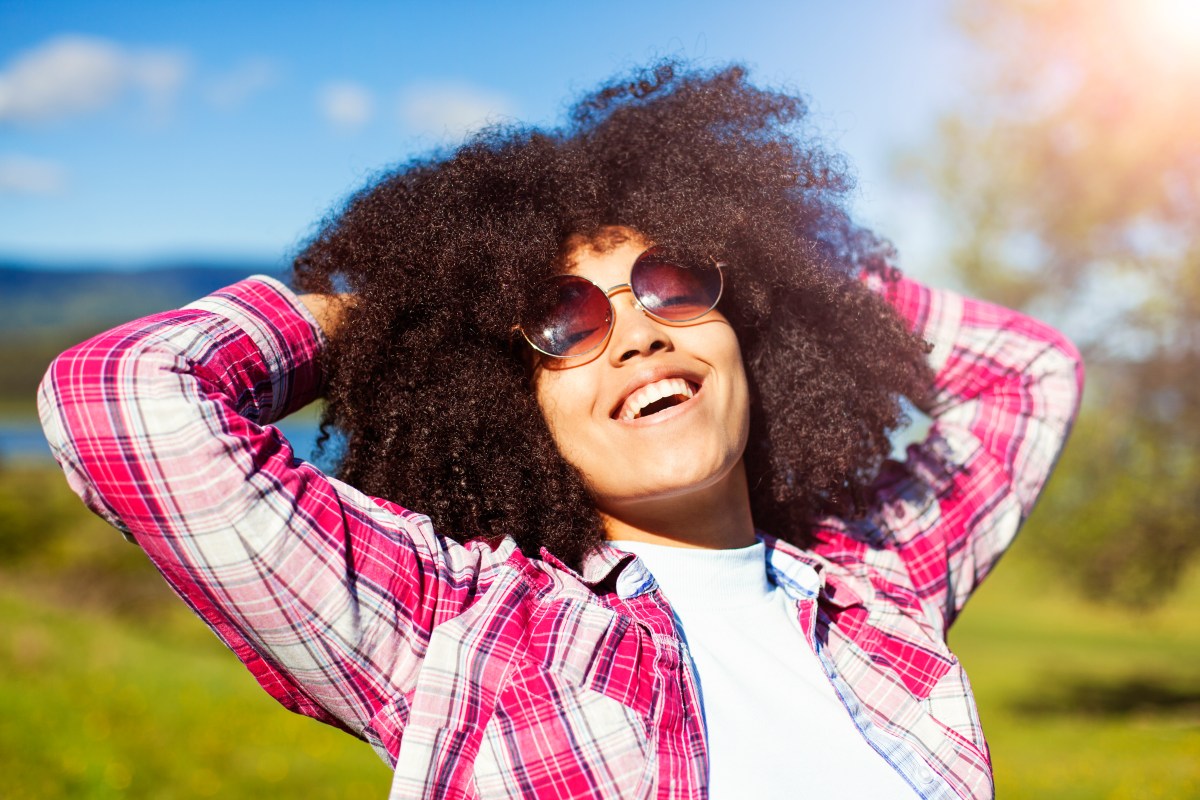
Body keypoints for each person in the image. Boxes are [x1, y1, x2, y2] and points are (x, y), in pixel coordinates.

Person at [38, 62, 1082, 799]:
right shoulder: (451, 625)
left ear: (746, 325)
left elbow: (1031, 372)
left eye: (674, 284)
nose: (633, 332)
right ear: (501, 395)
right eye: (561, 321)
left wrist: (802, 278)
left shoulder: (875, 583)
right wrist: (385, 313)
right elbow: (120, 398)